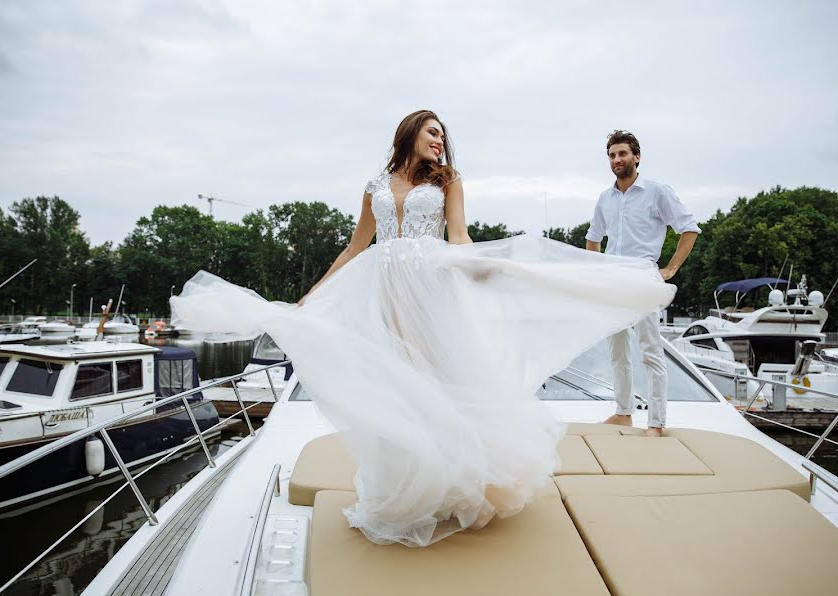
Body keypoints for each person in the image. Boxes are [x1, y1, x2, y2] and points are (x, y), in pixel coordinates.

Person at [172, 111, 675, 547]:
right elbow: (355, 248)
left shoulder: (447, 180)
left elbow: (457, 237)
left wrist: (482, 266)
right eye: (433, 132)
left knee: (439, 381)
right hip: (383, 293)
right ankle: (406, 489)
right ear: (410, 132)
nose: (440, 141)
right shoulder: (373, 186)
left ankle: (456, 487)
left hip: (431, 291)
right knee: (399, 387)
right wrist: (314, 293)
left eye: (443, 136)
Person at [586, 130, 700, 436]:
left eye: (622, 154)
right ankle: (623, 413)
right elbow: (593, 238)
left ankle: (656, 422)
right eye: (611, 155)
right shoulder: (605, 199)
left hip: (643, 278)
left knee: (651, 351)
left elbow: (689, 229)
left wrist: (670, 269)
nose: (616, 160)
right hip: (613, 280)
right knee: (618, 352)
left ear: (637, 156)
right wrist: (597, 272)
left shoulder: (657, 192)